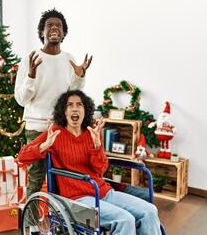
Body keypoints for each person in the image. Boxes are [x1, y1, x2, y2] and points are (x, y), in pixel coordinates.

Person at [18, 90, 161, 235]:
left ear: (85, 110)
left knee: (149, 211)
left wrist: (97, 146)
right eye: (69, 105)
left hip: (102, 191)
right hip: (76, 200)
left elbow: (101, 168)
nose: (75, 108)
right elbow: (22, 157)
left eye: (79, 105)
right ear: (64, 112)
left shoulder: (93, 132)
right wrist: (45, 145)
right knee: (125, 220)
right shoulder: (55, 133)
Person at [14, 8, 93, 213]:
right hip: (36, 129)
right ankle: (30, 226)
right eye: (49, 25)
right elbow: (21, 99)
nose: (54, 28)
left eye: (58, 25)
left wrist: (80, 76)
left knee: (63, 179)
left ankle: (59, 222)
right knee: (36, 178)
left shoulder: (69, 59)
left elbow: (73, 96)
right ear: (42, 32)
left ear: (64, 33)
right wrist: (30, 76)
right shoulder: (29, 60)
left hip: (60, 129)